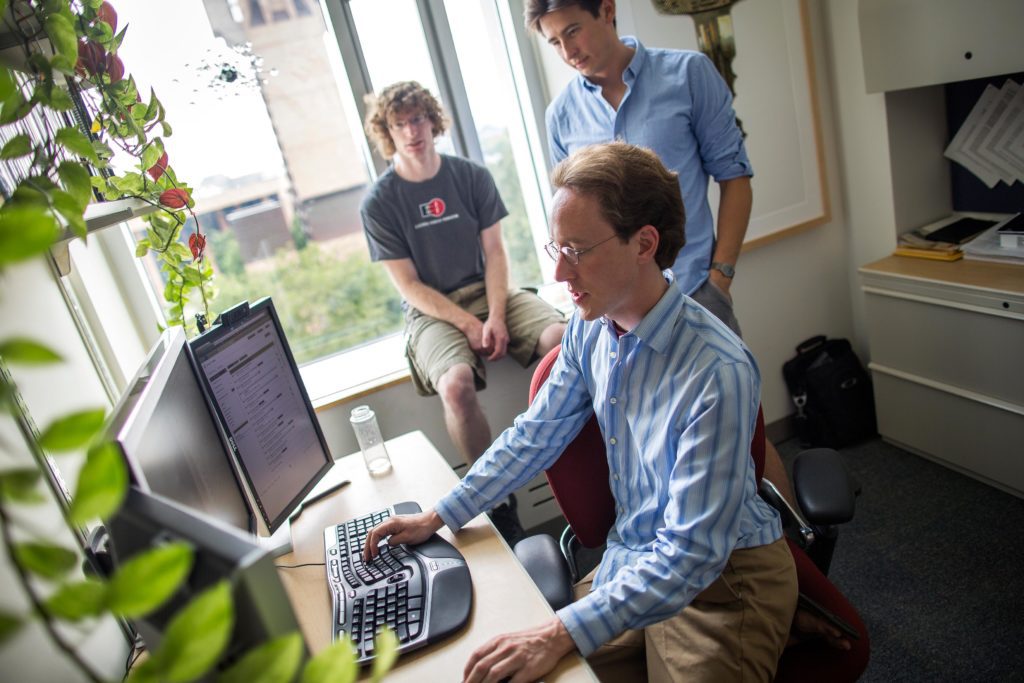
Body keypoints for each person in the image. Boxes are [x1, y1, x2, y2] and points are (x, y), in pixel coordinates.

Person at [364, 142, 798, 682]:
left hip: (720, 585)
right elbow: (535, 436)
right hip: (636, 559)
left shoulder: (715, 370)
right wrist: (442, 514)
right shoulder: (591, 328)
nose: (559, 270)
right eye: (555, 247)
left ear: (644, 243)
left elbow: (689, 554)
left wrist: (557, 632)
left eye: (576, 249)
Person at [526, 0, 800, 506]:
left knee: (746, 438)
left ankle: (790, 554)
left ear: (606, 10)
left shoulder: (689, 74)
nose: (568, 51)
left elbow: (735, 179)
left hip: (695, 285)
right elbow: (571, 213)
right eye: (554, 42)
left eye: (573, 31)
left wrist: (720, 276)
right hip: (623, 311)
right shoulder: (561, 114)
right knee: (657, 447)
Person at [359, 81, 566, 544]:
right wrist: (469, 323)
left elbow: (496, 253)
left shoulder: (469, 176)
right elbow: (408, 285)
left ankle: (582, 455)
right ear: (387, 133)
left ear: (433, 120)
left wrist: (494, 315)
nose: (412, 131)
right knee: (455, 383)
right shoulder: (380, 201)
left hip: (490, 290)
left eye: (418, 119)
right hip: (431, 310)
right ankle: (495, 501)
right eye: (399, 124)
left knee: (560, 339)